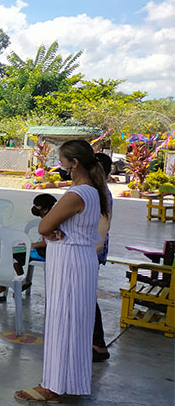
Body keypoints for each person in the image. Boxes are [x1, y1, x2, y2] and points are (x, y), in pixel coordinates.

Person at [14, 139, 109, 403]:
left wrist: (51, 229)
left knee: (60, 322)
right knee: (76, 324)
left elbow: (44, 226)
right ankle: (69, 382)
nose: (60, 165)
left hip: (69, 262)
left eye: (62, 160)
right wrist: (55, 229)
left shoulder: (76, 194)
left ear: (74, 163)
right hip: (81, 258)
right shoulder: (94, 191)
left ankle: (52, 386)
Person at [0, 193, 57, 301]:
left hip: (45, 253)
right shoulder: (50, 217)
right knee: (14, 250)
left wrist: (29, 245)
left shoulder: (48, 221)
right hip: (44, 249)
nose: (34, 208)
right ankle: (9, 283)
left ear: (45, 209)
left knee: (11, 252)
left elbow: (45, 243)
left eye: (37, 206)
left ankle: (17, 281)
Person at [92, 152, 115, 363]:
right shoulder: (99, 192)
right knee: (87, 298)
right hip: (93, 252)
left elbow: (100, 230)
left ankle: (98, 344)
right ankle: (95, 343)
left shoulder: (101, 193)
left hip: (92, 253)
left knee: (88, 298)